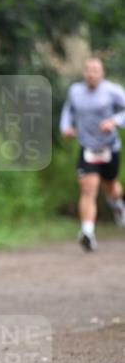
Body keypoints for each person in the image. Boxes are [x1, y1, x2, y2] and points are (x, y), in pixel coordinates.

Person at [60, 56, 125, 251]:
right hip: (87, 148)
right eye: (88, 69)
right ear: (83, 73)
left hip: (109, 147)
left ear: (102, 73)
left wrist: (114, 121)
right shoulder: (75, 91)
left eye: (95, 70)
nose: (91, 73)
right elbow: (68, 110)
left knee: (111, 186)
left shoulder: (113, 91)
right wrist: (66, 127)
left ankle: (118, 205)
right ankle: (87, 232)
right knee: (89, 189)